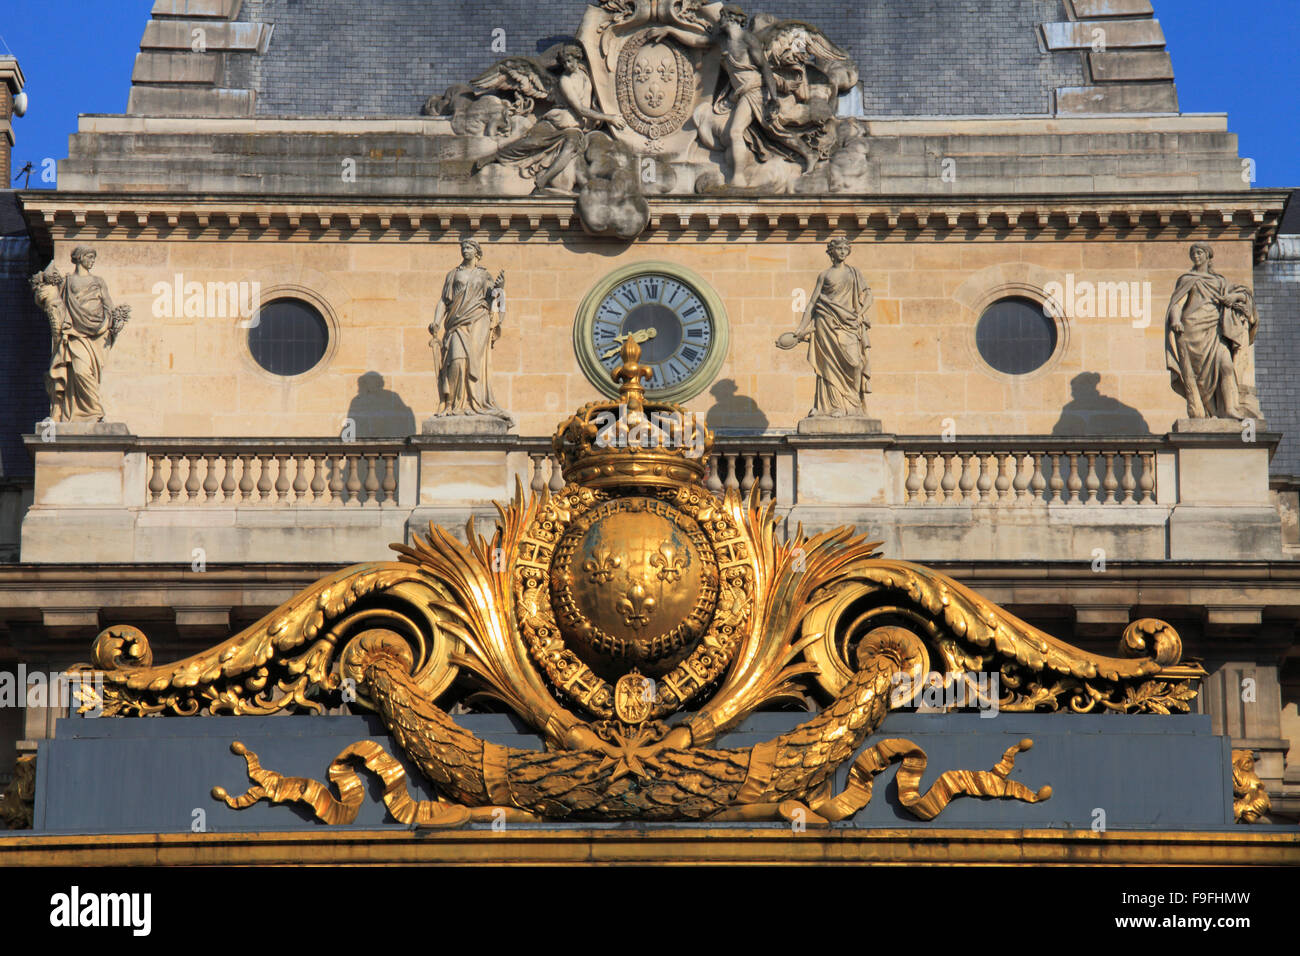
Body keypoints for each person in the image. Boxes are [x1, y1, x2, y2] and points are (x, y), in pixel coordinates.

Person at [650, 5, 816, 184]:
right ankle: (807, 155)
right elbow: (698, 41)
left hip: (755, 91)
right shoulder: (722, 40)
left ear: (732, 19)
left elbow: (765, 68)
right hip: (740, 93)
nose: (719, 20)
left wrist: (773, 98)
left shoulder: (747, 40)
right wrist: (670, 31)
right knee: (774, 132)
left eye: (722, 16)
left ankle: (739, 178)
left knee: (741, 131)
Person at [473, 45, 625, 194]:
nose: (567, 65)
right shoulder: (564, 81)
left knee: (571, 145)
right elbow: (579, 109)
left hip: (574, 128)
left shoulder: (586, 72)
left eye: (570, 61)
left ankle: (543, 180)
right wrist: (609, 118)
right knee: (530, 142)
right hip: (555, 123)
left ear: (577, 58)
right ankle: (495, 156)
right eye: (564, 63)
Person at [777, 236, 872, 418]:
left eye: (845, 248)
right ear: (832, 251)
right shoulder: (824, 275)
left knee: (855, 363)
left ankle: (854, 404)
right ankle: (830, 406)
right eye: (839, 248)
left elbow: (868, 295)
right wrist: (800, 329)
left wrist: (861, 313)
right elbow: (812, 303)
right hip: (825, 323)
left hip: (849, 324)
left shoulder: (854, 273)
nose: (843, 251)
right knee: (828, 365)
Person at [1164, 242, 1257, 420]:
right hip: (1191, 330)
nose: (1196, 256)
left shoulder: (1220, 281)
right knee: (1196, 376)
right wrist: (1175, 320)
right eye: (1193, 254)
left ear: (1207, 255)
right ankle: (1204, 411)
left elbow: (1244, 295)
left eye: (1199, 253)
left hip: (1214, 331)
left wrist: (1233, 297)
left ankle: (1230, 408)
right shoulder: (1186, 279)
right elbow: (1177, 303)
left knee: (1226, 366)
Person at [32, 246, 125, 422]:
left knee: (87, 372)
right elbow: (48, 299)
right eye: (89, 256)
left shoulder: (98, 281)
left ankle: (90, 412)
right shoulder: (66, 282)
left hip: (95, 334)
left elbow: (108, 306)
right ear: (80, 258)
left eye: (93, 257)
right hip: (73, 333)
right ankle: (91, 411)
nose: (92, 260)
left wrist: (114, 322)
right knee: (79, 372)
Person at [428, 239, 512, 420]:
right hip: (456, 322)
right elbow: (444, 300)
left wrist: (500, 288)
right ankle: (453, 404)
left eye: (469, 248)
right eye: (463, 248)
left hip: (478, 320)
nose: (465, 250)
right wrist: (436, 322)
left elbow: (494, 299)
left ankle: (473, 404)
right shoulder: (453, 275)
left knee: (473, 361)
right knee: (457, 360)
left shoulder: (484, 276)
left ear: (476, 252)